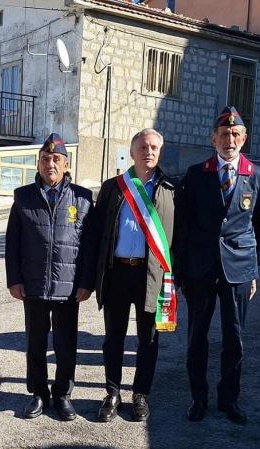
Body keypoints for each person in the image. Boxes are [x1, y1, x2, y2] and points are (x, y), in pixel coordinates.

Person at [176, 107, 260, 425]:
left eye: (235, 134)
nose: (229, 139)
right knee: (197, 337)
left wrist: (254, 272)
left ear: (244, 138)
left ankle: (229, 399)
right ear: (213, 139)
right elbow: (184, 227)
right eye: (223, 134)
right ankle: (198, 399)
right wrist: (182, 271)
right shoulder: (195, 174)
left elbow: (259, 230)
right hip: (200, 269)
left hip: (239, 268)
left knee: (234, 337)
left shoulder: (257, 176)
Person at [86, 128, 177, 423]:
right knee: (113, 337)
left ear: (159, 152)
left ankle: (140, 394)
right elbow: (98, 232)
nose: (148, 152)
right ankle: (112, 392)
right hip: (117, 272)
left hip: (151, 274)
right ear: (132, 151)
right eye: (142, 147)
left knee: (148, 339)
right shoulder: (113, 187)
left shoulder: (171, 189)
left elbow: (179, 236)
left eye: (153, 147)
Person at [5, 134, 94, 421]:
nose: (50, 164)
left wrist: (85, 282)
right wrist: (14, 279)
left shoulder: (82, 198)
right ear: (38, 163)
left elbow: (89, 246)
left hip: (69, 287)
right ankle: (38, 394)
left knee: (67, 343)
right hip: (33, 284)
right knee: (35, 342)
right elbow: (13, 244)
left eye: (56, 159)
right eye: (45, 159)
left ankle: (63, 394)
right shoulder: (23, 197)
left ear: (66, 164)